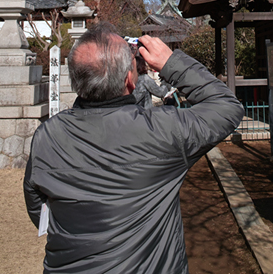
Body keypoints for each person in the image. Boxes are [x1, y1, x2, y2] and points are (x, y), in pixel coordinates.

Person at [23, 22, 244, 274]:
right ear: (130, 79)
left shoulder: (47, 136)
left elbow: (39, 209)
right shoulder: (162, 130)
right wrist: (171, 62)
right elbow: (227, 107)